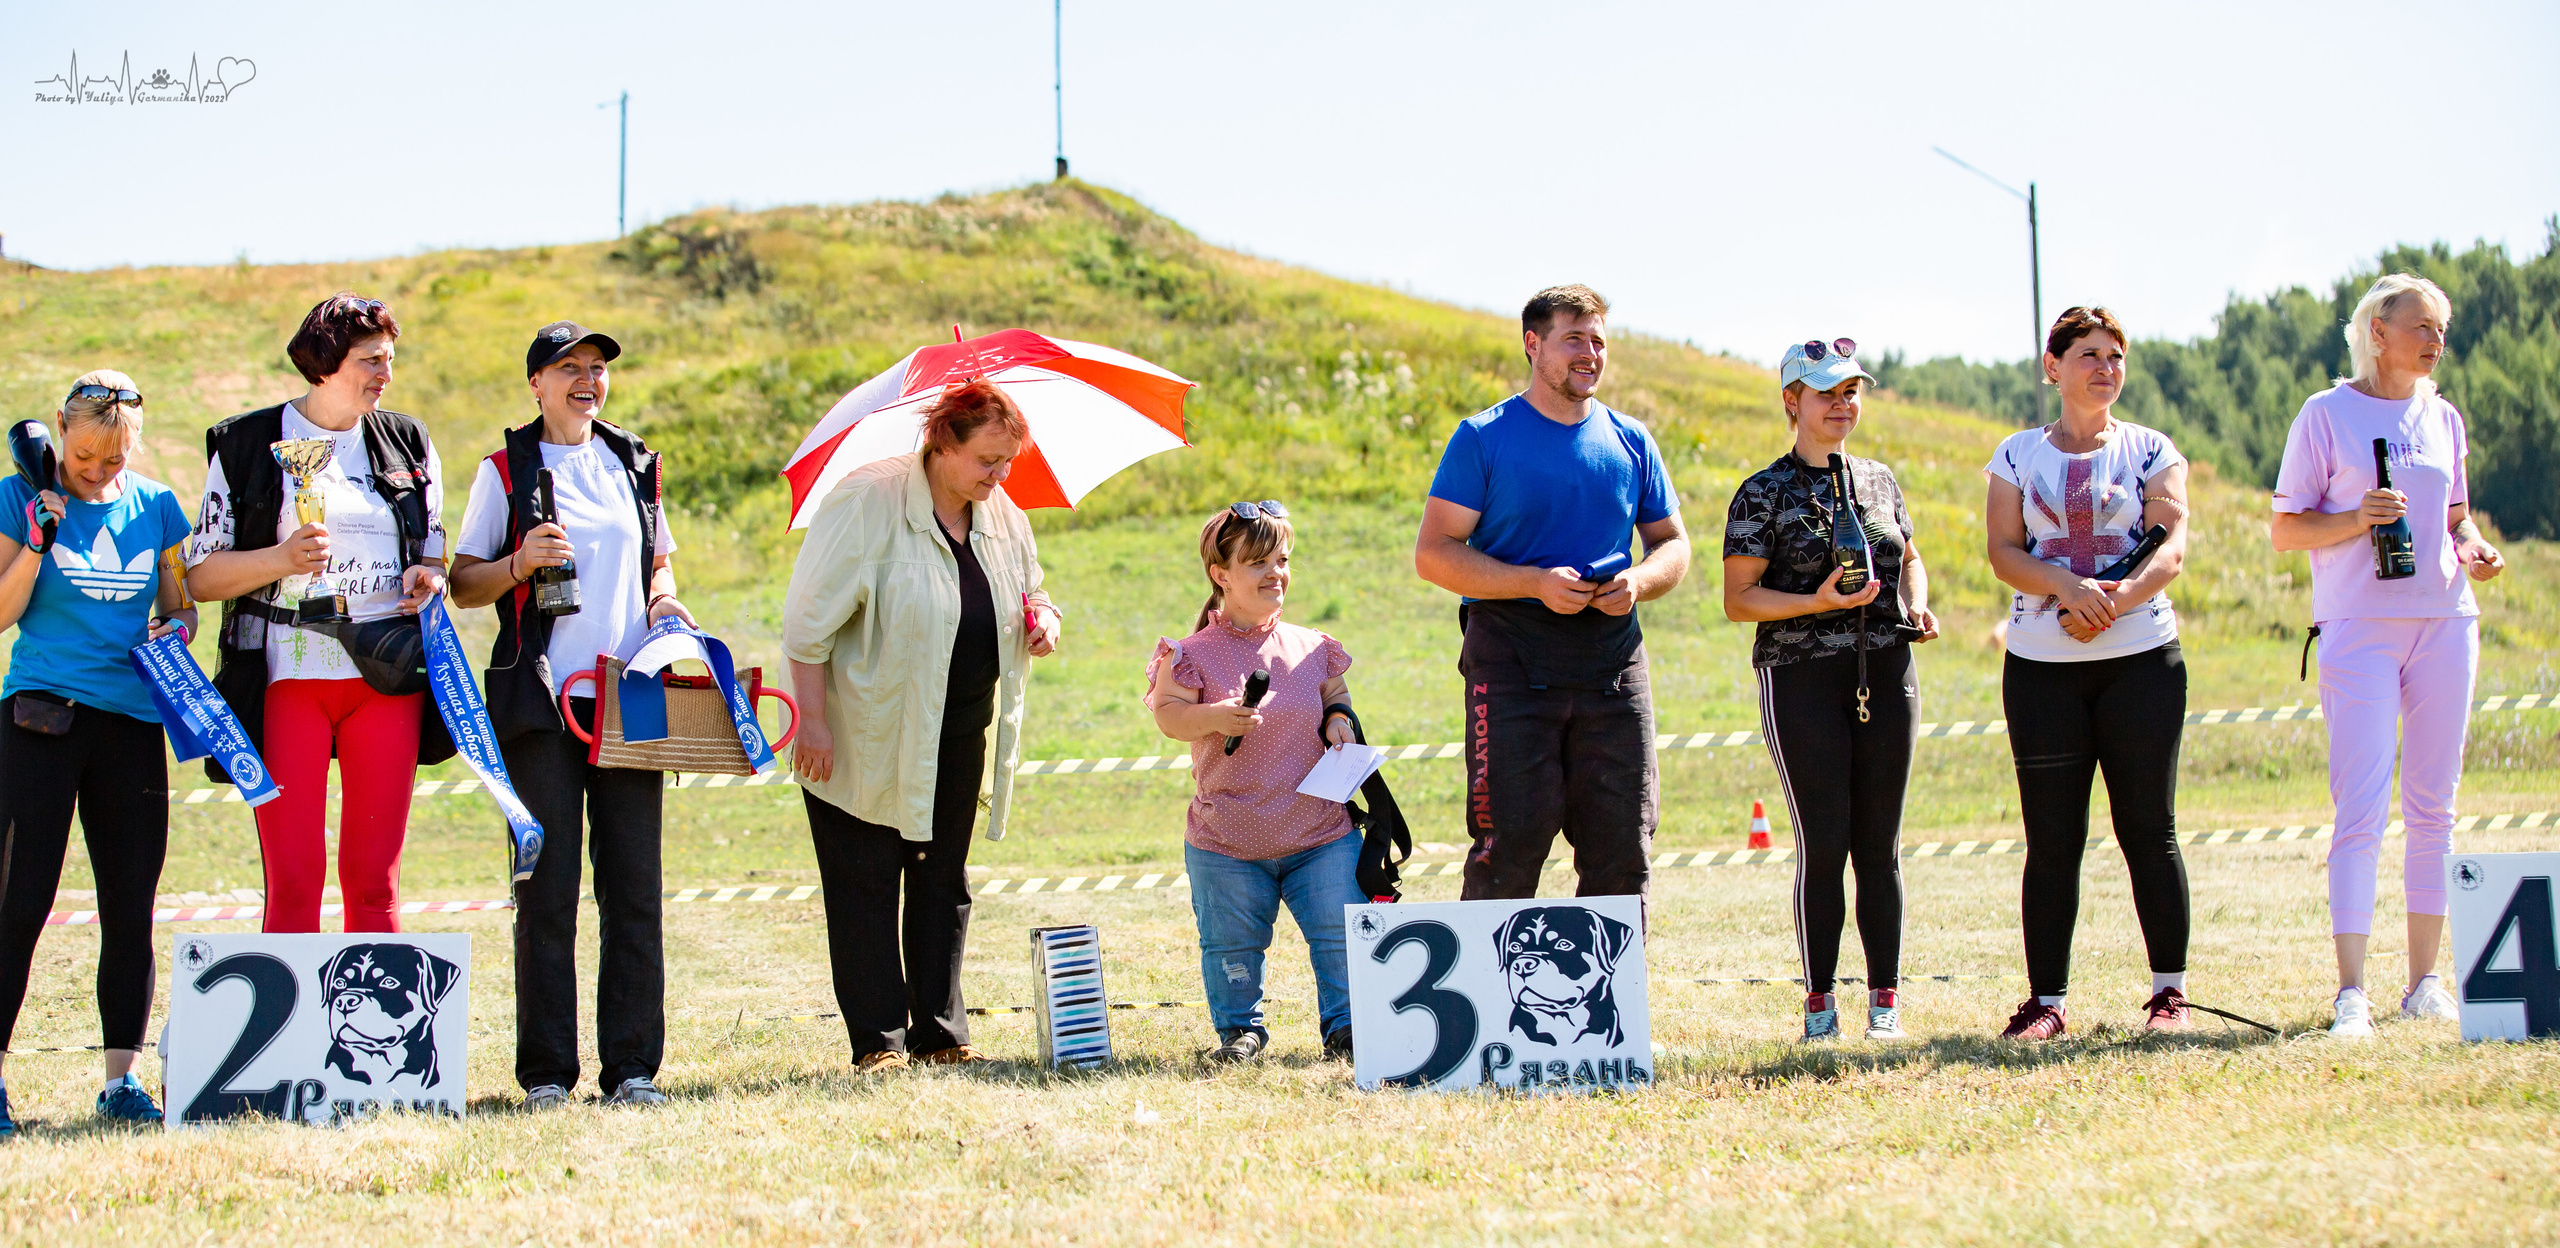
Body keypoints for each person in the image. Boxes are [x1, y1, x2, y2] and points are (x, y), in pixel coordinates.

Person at [783, 377, 1061, 1072]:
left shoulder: (1005, 516)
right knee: (866, 881)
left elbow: (1033, 590)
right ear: (942, 444)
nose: (1001, 475)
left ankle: (940, 1032)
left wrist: (1044, 619)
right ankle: (879, 1041)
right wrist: (811, 723)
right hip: (864, 731)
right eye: (988, 461)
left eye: (1009, 462)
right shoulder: (866, 502)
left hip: (960, 730)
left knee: (944, 881)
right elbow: (804, 629)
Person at [448, 321, 686, 1108]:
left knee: (635, 889)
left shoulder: (636, 462)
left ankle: (634, 1071)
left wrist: (666, 604)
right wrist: (518, 564)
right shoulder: (504, 468)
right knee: (544, 892)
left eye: (596, 368)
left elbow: (657, 559)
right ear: (536, 385)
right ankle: (547, 1074)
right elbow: (463, 582)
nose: (587, 380)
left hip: (635, 696)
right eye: (568, 368)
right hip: (541, 701)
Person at [2269, 273, 2506, 1039]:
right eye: (2422, 326)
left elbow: (2459, 520)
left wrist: (2475, 549)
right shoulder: (2324, 415)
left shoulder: (2444, 417)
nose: (2436, 340)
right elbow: (2285, 530)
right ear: (2378, 331)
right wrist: (2350, 519)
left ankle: (2426, 982)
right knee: (2362, 808)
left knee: (2434, 806)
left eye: (2442, 328)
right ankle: (2351, 994)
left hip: (2445, 620)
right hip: (2358, 626)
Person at [1414, 285, 1690, 913]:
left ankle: (1612, 1010)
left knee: (1623, 846)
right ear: (1534, 344)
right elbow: (1434, 553)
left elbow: (1673, 544)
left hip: (1614, 666)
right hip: (1511, 664)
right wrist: (1534, 583)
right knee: (1507, 848)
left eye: (1598, 341)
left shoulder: (1632, 440)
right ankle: (1491, 1003)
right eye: (1575, 339)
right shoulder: (1483, 438)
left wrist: (1638, 584)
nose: (1590, 354)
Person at [186, 293, 449, 934]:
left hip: (387, 676)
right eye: (370, 361)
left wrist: (429, 575)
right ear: (325, 362)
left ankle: (379, 1034)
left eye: (389, 359)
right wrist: (279, 558)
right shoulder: (246, 442)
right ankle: (292, 1031)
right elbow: (201, 575)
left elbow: (436, 545)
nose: (385, 374)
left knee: (373, 880)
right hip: (287, 677)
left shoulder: (408, 439)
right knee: (295, 879)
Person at [1983, 306, 2194, 1039]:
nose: (2104, 367)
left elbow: (2168, 545)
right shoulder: (2015, 454)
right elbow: (2004, 551)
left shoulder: (2151, 449)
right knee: (2053, 838)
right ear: (2054, 366)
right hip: (2042, 668)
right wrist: (2065, 590)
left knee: (2148, 828)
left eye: (2115, 356)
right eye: (2087, 355)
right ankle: (2047, 1002)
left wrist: (2113, 601)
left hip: (2141, 664)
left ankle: (2170, 995)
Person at [1722, 339, 1939, 1042]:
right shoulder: (1762, 491)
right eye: (1827, 393)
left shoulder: (1879, 479)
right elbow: (1739, 600)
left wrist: (1917, 602)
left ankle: (1885, 1003)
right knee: (1826, 843)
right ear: (1793, 401)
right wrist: (1815, 602)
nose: (1844, 405)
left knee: (1882, 843)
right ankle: (1819, 1004)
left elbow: (1910, 558)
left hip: (1887, 669)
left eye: (1852, 392)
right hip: (1801, 676)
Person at [0, 373, 196, 1135]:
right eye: (84, 456)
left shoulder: (157, 509)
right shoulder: (21, 499)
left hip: (131, 725)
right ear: (58, 431)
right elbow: (4, 610)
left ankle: (122, 1083)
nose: (97, 471)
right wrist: (39, 538)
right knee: (18, 907)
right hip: (38, 721)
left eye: (114, 461)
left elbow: (178, 604)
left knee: (129, 907)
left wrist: (173, 631)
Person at [1145, 502, 1363, 1063]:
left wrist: (1339, 720)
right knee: (1230, 949)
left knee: (1341, 938)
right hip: (1226, 844)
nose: (1277, 574)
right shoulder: (1188, 654)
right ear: (1221, 575)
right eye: (1259, 562)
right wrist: (1215, 717)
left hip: (1322, 836)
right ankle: (1240, 1033)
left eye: (1283, 560)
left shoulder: (1313, 646)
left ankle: (1346, 1029)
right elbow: (1168, 716)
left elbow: (1334, 697)